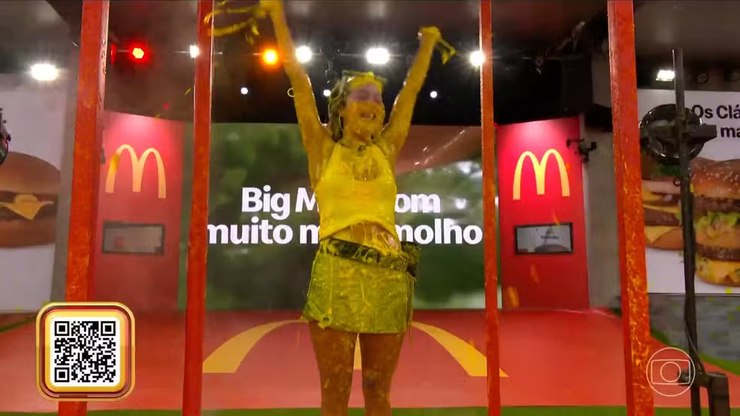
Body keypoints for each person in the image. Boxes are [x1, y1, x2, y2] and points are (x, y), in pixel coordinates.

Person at [261, 1, 441, 414]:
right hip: (337, 275)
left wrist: (428, 46)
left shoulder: (387, 149)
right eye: (362, 95)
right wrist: (276, 17)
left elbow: (409, 95)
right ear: (341, 106)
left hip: (388, 276)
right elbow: (298, 79)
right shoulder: (322, 149)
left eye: (377, 97)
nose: (373, 103)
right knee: (336, 387)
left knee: (378, 388)